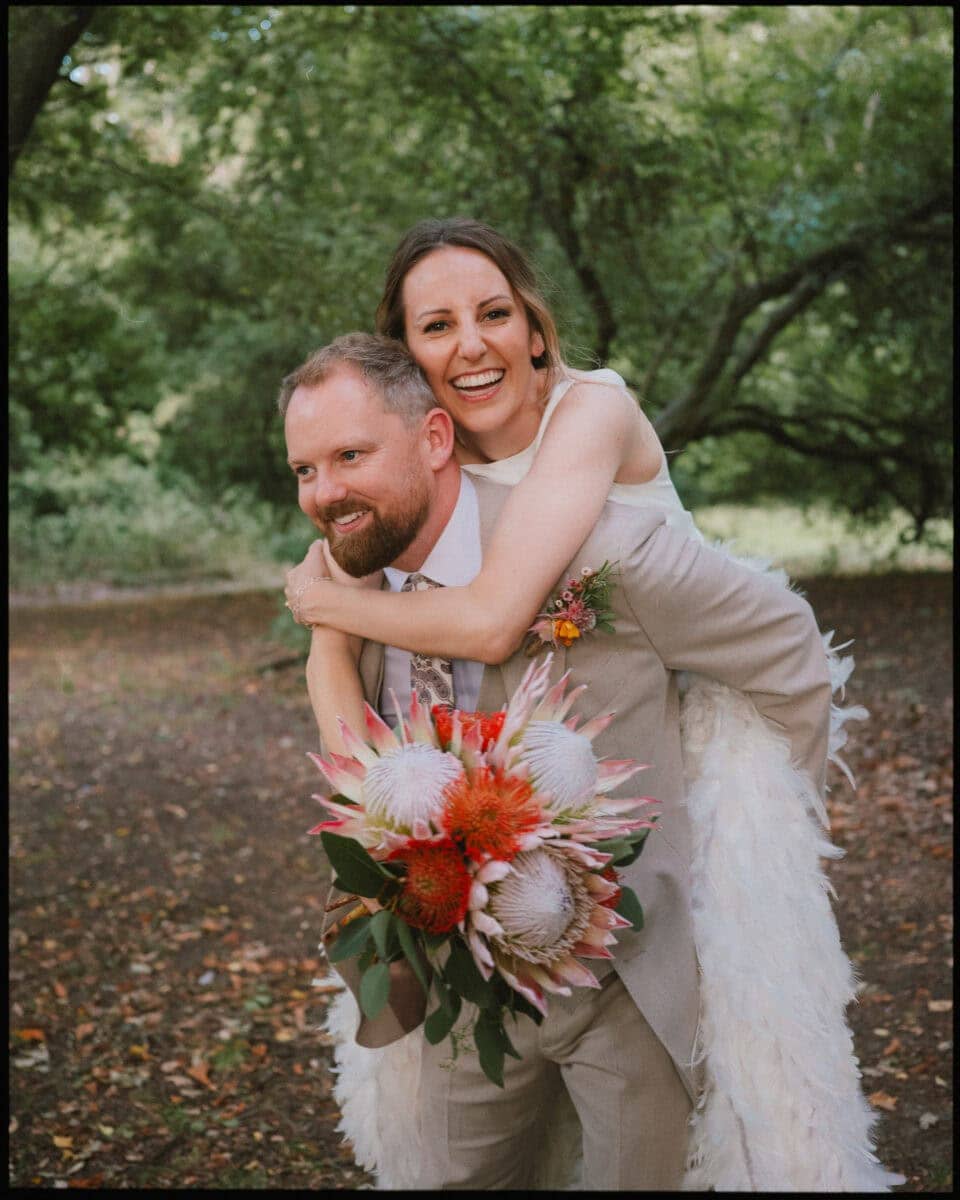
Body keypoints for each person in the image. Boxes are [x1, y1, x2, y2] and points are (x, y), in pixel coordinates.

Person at [279, 323, 902, 1190]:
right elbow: (367, 786)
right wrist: (327, 638)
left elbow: (789, 645)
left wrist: (757, 832)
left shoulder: (597, 551)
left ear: (432, 438)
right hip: (463, 992)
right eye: (305, 470)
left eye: (348, 455)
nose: (324, 492)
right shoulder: (362, 589)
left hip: (627, 982)